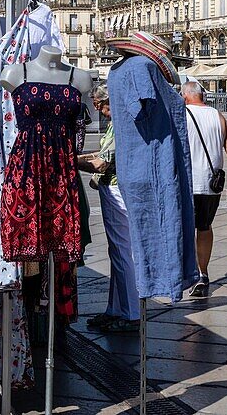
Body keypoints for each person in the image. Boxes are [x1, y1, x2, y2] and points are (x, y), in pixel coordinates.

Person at [77, 86, 140, 332]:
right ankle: (116, 308)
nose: (99, 111)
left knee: (123, 251)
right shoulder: (116, 123)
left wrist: (70, 161)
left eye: (101, 106)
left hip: (116, 190)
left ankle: (131, 312)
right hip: (112, 189)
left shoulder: (122, 123)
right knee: (117, 250)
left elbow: (103, 163)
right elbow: (101, 152)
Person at [182, 82, 227, 297]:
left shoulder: (181, 114)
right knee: (204, 227)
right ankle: (203, 274)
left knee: (183, 228)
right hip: (210, 184)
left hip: (185, 182)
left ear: (185, 96)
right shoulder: (218, 116)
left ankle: (184, 273)